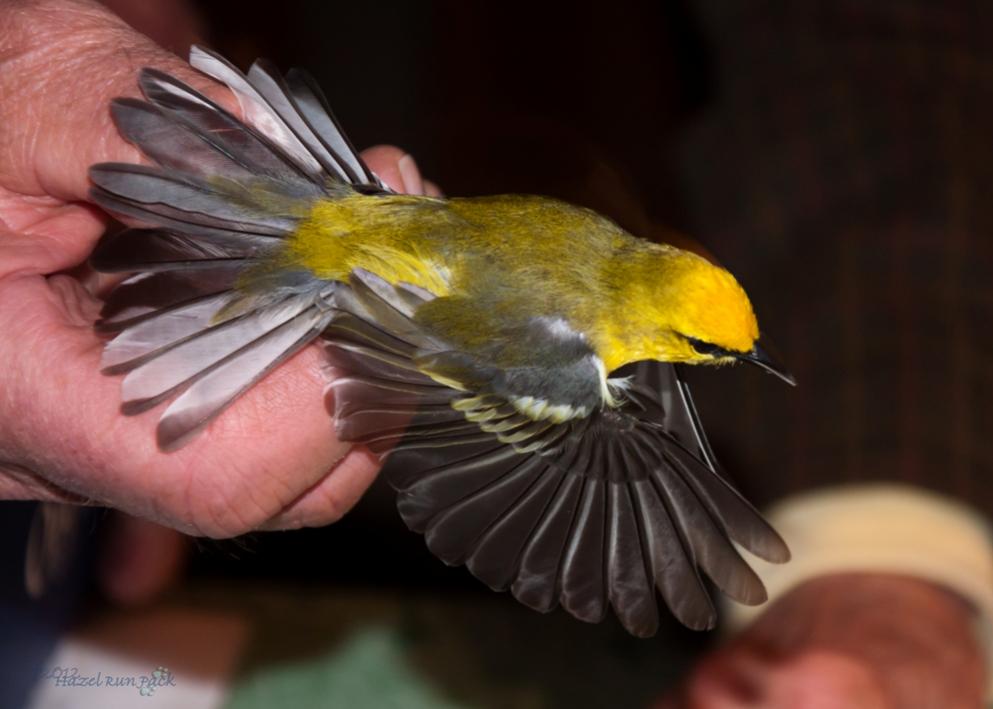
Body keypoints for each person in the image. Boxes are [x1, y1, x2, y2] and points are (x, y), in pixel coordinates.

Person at [0, 1, 989, 707]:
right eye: (703, 348)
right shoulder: (578, 360)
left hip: (347, 197)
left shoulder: (603, 244)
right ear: (669, 302)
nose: (716, 361)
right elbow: (586, 459)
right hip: (346, 280)